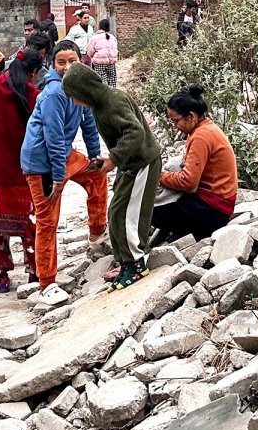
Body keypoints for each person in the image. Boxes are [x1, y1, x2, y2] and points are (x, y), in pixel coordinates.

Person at [19, 40, 109, 296]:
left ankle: (97, 234)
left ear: (82, 62)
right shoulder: (54, 94)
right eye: (61, 62)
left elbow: (88, 124)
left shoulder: (81, 89)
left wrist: (95, 157)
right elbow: (53, 137)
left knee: (97, 176)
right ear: (52, 64)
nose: (67, 67)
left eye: (73, 61)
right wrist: (59, 177)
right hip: (41, 163)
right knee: (48, 220)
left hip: (64, 154)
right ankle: (47, 282)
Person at [62, 63, 163, 291]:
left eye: (75, 97)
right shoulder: (98, 105)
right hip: (129, 164)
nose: (75, 102)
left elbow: (135, 131)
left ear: (85, 90)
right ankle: (125, 262)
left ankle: (137, 264)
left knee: (130, 214)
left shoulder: (113, 100)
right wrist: (108, 158)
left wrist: (113, 159)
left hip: (143, 162)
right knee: (115, 211)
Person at [0, 48, 43, 293]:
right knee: (29, 226)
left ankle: (1, 274)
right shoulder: (33, 94)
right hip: (23, 171)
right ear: (33, 73)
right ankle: (34, 271)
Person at [152, 86, 239, 244]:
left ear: (190, 116)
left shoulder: (201, 137)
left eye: (175, 121)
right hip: (218, 203)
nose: (175, 126)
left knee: (148, 211)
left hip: (213, 210)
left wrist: (160, 177)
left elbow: (188, 182)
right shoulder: (206, 128)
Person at [84, 18, 120, 87]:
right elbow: (115, 50)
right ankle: (112, 95)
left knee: (102, 81)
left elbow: (90, 51)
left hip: (99, 63)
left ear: (99, 27)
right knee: (112, 80)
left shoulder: (95, 38)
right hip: (111, 63)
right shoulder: (112, 37)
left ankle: (103, 96)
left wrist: (94, 57)